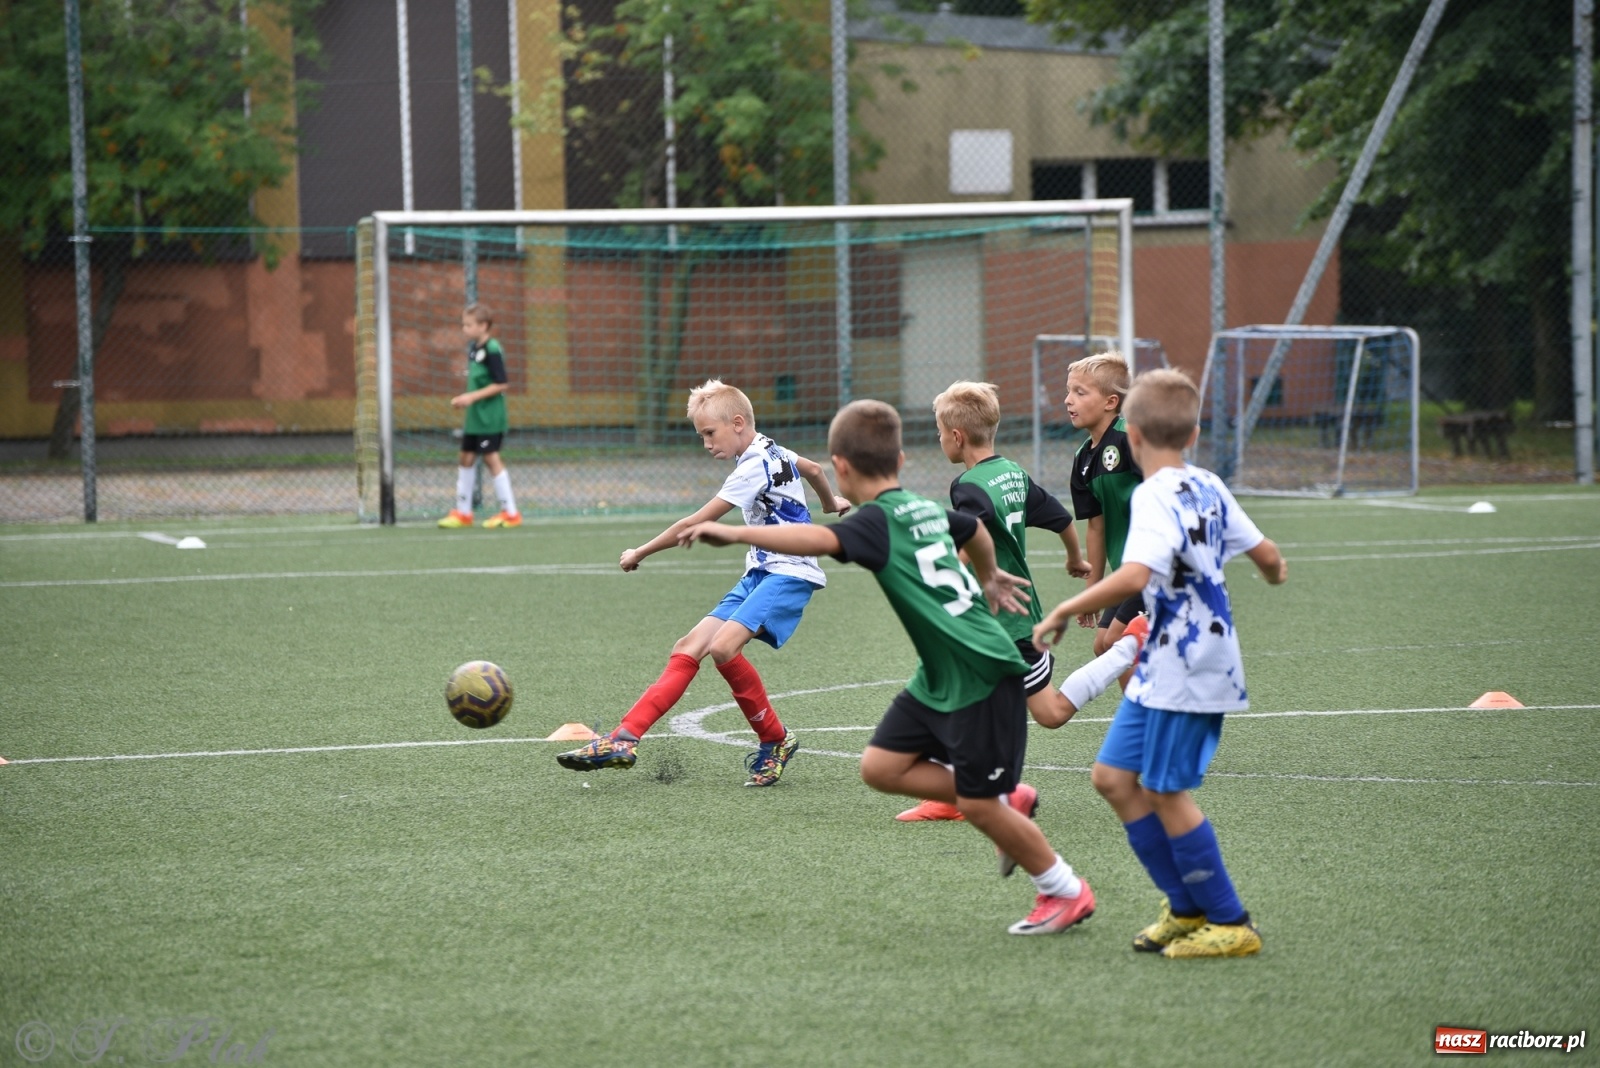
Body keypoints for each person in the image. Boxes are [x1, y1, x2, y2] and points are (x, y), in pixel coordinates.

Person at [681, 399, 1097, 936]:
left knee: (979, 803)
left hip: (983, 670)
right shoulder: (920, 507)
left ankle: (1064, 890)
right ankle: (999, 795)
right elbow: (973, 534)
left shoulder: (876, 522)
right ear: (900, 458)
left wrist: (737, 533)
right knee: (881, 767)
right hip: (941, 671)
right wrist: (990, 576)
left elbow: (815, 538)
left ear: (843, 468)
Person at [1034, 368, 1289, 958]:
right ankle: (1185, 905)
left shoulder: (1152, 493)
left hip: (1190, 662)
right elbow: (1269, 557)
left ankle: (1230, 921)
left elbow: (1135, 575)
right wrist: (1274, 573)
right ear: (1194, 431)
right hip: (1167, 657)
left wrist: (1068, 607)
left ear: (1136, 435)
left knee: (1165, 789)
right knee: (1113, 778)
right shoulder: (1209, 483)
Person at [556, 379, 850, 786]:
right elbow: (814, 469)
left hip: (790, 571)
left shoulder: (752, 465)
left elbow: (695, 522)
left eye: (710, 434)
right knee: (689, 647)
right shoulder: (769, 447)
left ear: (737, 422)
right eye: (701, 436)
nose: (707, 443)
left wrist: (640, 552)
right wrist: (830, 502)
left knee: (723, 647)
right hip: (761, 570)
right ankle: (623, 739)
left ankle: (775, 741)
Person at [895, 381, 1149, 824]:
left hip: (998, 622)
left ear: (956, 436)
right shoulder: (1010, 472)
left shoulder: (968, 486)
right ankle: (957, 792)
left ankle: (1130, 646)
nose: (939, 440)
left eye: (939, 432)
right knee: (1043, 711)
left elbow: (971, 534)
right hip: (1017, 617)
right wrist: (1076, 558)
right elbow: (1059, 516)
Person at [1066, 353, 1143, 657]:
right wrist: (1093, 592)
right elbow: (1095, 526)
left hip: (1155, 566)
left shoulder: (1130, 438)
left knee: (1115, 642)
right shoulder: (1083, 458)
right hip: (1126, 570)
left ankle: (1164, 701)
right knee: (1103, 646)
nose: (1068, 400)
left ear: (1111, 402)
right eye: (1068, 391)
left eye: (1080, 392)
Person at [438, 303, 522, 529]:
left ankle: (511, 512)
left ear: (483, 326)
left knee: (490, 457)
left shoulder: (492, 349)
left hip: (490, 417)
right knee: (465, 456)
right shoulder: (475, 348)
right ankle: (463, 512)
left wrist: (470, 397)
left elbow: (501, 383)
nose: (464, 329)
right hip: (475, 418)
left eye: (468, 325)